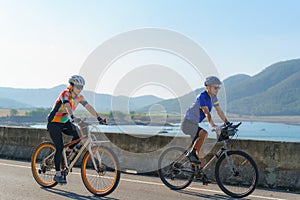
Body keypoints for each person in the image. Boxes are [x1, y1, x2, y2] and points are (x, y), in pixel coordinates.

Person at [47, 75, 106, 184]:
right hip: (54, 122)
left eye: (81, 87)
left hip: (64, 122)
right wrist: (72, 116)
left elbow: (88, 107)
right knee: (59, 147)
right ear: (71, 86)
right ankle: (58, 174)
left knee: (78, 136)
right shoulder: (65, 94)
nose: (79, 89)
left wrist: (98, 117)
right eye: (78, 86)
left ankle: (67, 154)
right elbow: (67, 106)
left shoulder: (79, 97)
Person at [181, 76, 230, 184]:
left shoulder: (214, 98)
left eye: (218, 88)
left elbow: (219, 111)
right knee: (204, 133)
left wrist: (227, 123)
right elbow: (206, 112)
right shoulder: (202, 96)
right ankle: (191, 153)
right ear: (208, 87)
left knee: (201, 153)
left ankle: (201, 174)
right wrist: (213, 125)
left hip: (194, 124)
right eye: (215, 88)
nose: (217, 90)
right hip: (187, 123)